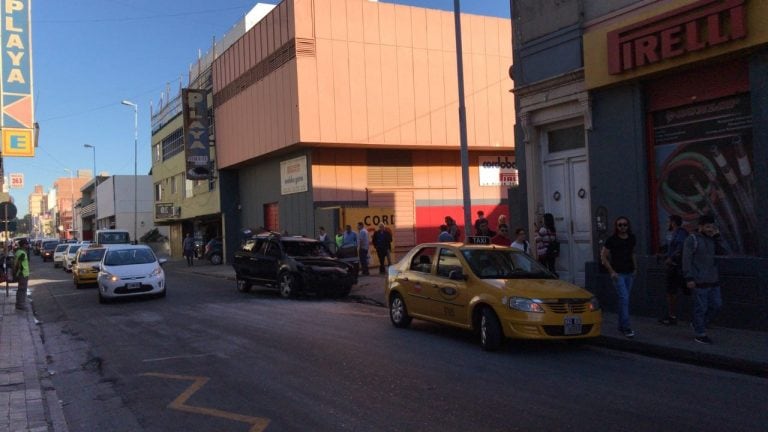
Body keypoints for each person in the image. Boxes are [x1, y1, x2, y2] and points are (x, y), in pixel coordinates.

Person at [683, 214, 726, 345]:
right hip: (699, 280)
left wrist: (717, 237)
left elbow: (722, 253)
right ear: (700, 226)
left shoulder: (713, 239)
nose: (710, 229)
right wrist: (688, 277)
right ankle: (700, 334)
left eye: (712, 227)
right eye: (707, 226)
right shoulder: (692, 239)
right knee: (700, 307)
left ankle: (699, 323)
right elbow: (686, 259)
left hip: (713, 279)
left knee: (717, 305)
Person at [601, 216, 637, 338]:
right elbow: (604, 257)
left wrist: (635, 269)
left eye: (625, 225)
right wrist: (612, 272)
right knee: (624, 298)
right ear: (616, 227)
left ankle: (621, 325)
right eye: (620, 225)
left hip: (629, 272)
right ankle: (626, 327)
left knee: (624, 300)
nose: (622, 227)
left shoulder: (632, 238)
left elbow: (632, 253)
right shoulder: (612, 240)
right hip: (618, 274)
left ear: (628, 226)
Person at [659, 215, 690, 325]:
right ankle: (672, 315)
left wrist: (671, 258)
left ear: (673, 222)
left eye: (669, 221)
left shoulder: (680, 233)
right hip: (674, 266)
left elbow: (680, 248)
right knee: (672, 291)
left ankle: (674, 316)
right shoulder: (674, 233)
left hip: (677, 267)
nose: (667, 223)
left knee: (675, 291)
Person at [13, 238, 30, 311]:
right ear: (23, 245)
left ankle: (18, 304)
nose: (27, 246)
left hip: (22, 273)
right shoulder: (22, 253)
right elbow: (17, 264)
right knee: (22, 290)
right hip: (22, 274)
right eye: (26, 244)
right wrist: (18, 272)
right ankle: (21, 305)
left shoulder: (19, 251)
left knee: (20, 289)